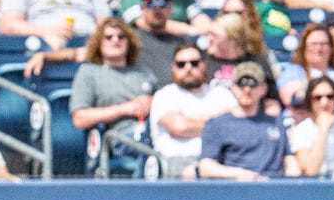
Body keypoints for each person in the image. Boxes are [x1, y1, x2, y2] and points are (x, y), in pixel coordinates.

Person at [69, 18, 157, 156]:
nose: (115, 40)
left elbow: (165, 103)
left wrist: (152, 102)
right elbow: (80, 118)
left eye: (121, 36)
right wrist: (125, 109)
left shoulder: (144, 72)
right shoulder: (89, 72)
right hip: (118, 137)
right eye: (108, 37)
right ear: (99, 43)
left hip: (152, 129)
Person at [198, 62, 300, 180]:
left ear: (263, 89)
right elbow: (206, 167)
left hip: (272, 189)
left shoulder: (276, 122)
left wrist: (294, 180)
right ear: (233, 88)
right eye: (241, 83)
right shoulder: (217, 124)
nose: (247, 89)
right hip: (235, 190)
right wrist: (240, 174)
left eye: (253, 83)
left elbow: (288, 160)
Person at [150, 42, 237, 179]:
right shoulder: (164, 95)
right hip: (175, 165)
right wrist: (218, 121)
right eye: (181, 64)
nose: (188, 68)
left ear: (204, 65)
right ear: (173, 67)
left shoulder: (221, 94)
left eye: (194, 63)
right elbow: (180, 127)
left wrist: (192, 120)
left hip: (220, 162)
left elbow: (236, 126)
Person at [291, 75, 334, 179]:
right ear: (310, 100)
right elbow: (310, 171)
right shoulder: (302, 130)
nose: (324, 102)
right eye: (318, 98)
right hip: (322, 185)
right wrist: (323, 130)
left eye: (330, 96)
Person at [276, 23, 334, 115]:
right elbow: (289, 98)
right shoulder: (293, 71)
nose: (318, 48)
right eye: (313, 44)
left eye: (323, 44)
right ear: (304, 47)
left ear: (331, 47)